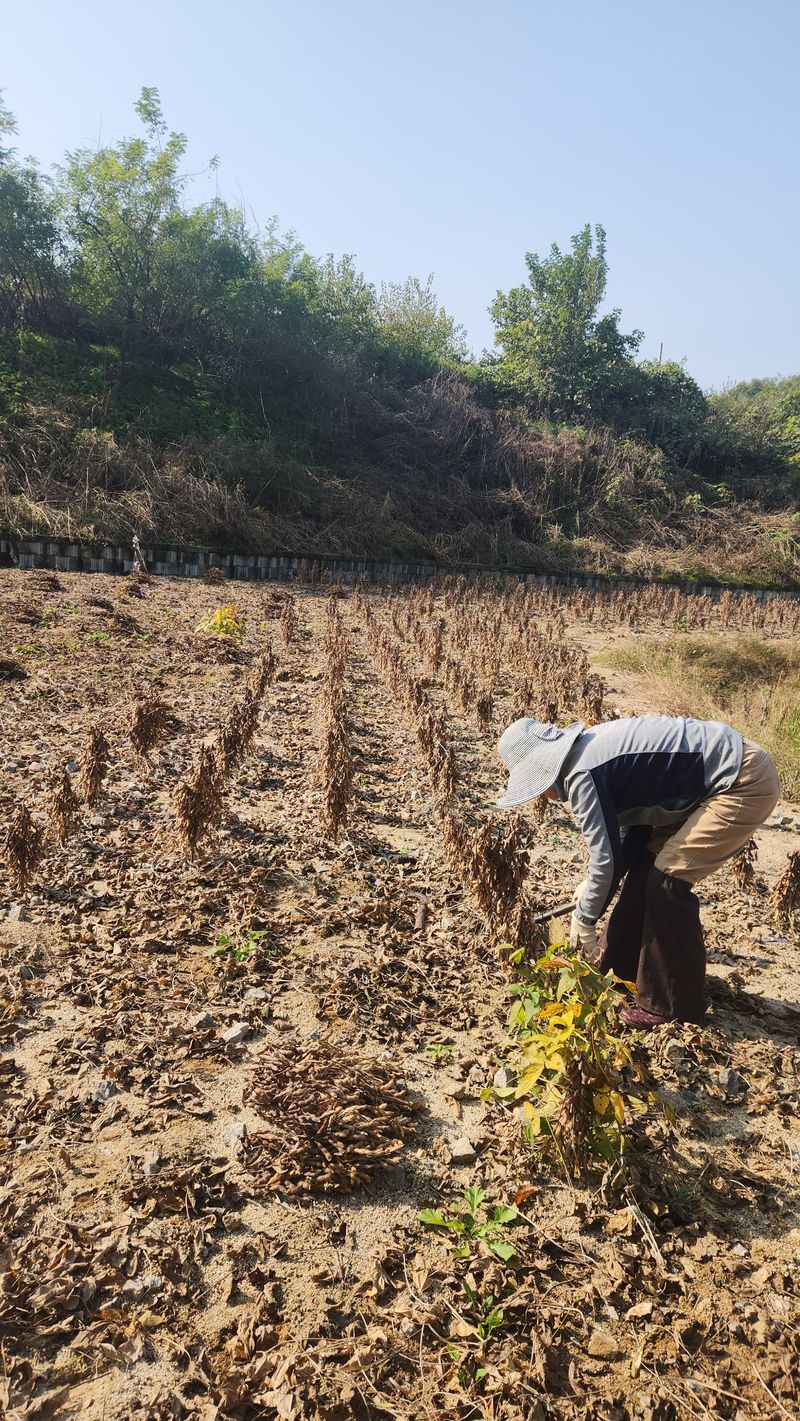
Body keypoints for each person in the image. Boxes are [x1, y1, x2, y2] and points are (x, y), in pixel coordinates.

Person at [495, 714, 781, 1028]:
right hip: (713, 780)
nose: (539, 795)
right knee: (646, 872)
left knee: (667, 882)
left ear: (545, 770)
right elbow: (626, 842)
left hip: (740, 781)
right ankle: (619, 974)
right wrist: (592, 883)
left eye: (535, 785)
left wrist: (584, 921)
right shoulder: (588, 754)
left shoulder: (582, 773)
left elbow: (606, 861)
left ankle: (672, 1007)